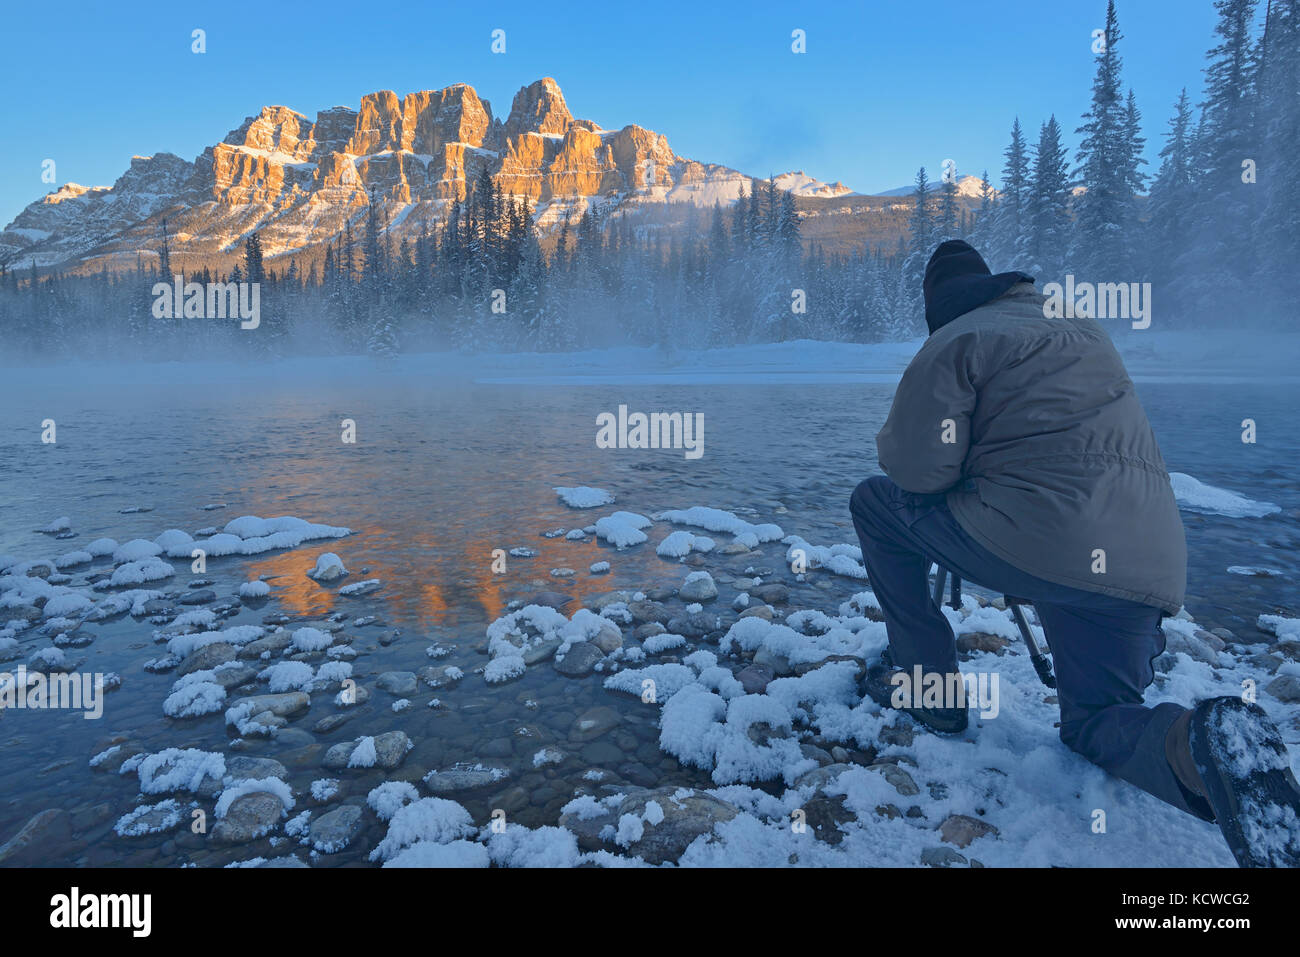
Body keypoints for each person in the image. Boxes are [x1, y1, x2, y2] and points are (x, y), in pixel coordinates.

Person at [849, 239, 1300, 867]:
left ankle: (931, 693)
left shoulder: (956, 339)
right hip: (1147, 562)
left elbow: (917, 472)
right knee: (1098, 721)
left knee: (876, 504)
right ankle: (1195, 750)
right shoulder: (1080, 328)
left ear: (935, 302)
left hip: (1043, 544)